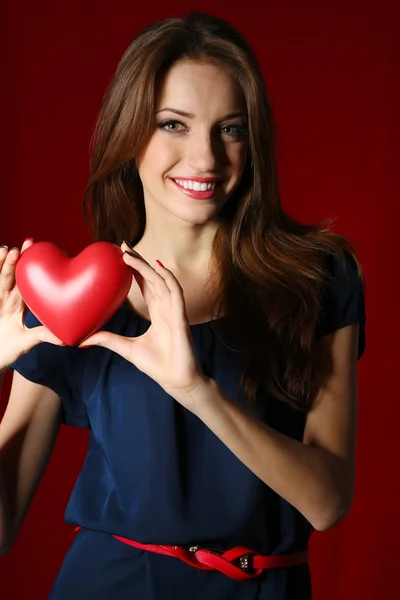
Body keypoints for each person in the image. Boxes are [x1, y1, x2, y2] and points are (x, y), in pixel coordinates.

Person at [0, 11, 366, 600]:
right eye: (173, 124)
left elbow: (326, 504)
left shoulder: (318, 278)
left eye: (230, 129)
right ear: (129, 134)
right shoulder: (65, 301)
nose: (205, 159)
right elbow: (2, 524)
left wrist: (199, 392)